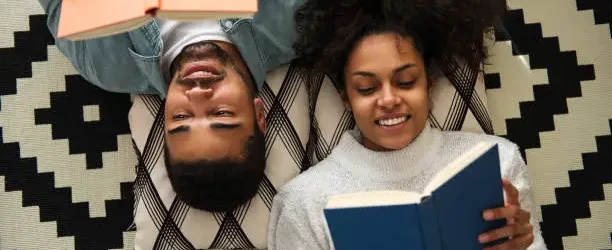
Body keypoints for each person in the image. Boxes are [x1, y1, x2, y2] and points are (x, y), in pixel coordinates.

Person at [268, 0, 547, 249]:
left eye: (405, 82)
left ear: (429, 85)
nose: (388, 100)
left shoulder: (498, 163)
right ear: (346, 98)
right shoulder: (303, 204)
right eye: (366, 88)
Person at [36, 0, 304, 212]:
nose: (198, 93)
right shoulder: (294, 23)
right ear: (259, 115)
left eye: (181, 116)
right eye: (221, 113)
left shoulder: (106, 64)